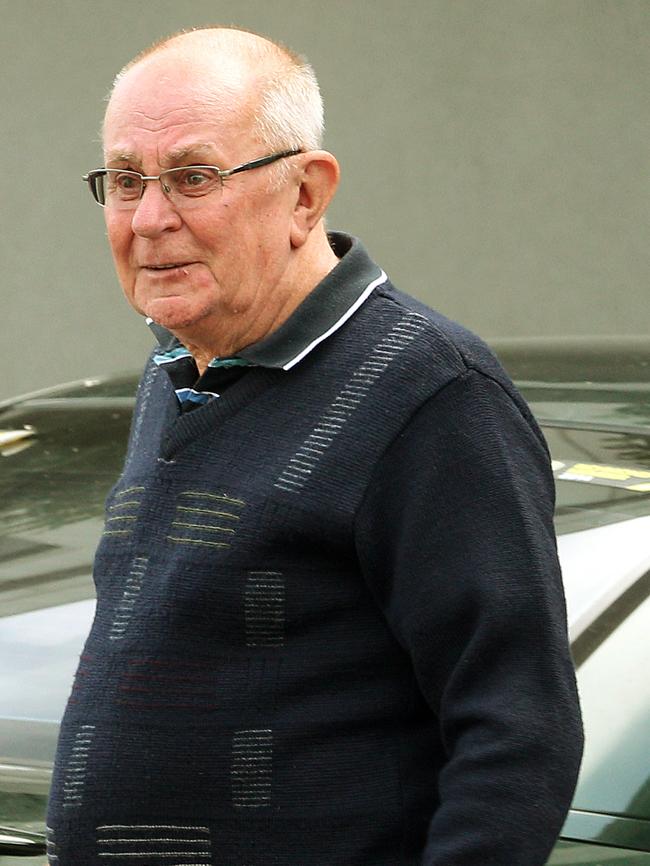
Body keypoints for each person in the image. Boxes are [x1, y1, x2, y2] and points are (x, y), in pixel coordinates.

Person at [46, 26, 583, 866]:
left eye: (193, 177)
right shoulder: (178, 371)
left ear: (305, 194)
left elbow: (518, 735)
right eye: (124, 181)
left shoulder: (432, 393)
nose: (151, 219)